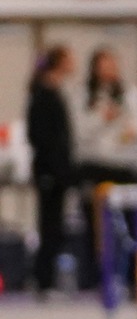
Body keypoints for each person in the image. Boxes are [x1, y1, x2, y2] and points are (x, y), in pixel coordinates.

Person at [72, 48, 137, 292]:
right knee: (94, 225)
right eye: (104, 64)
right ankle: (93, 278)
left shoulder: (128, 93)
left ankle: (134, 278)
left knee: (131, 223)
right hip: (95, 164)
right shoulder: (83, 95)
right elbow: (80, 131)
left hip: (124, 165)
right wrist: (103, 119)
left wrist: (127, 130)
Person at [26, 46, 76, 297]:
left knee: (56, 227)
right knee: (48, 227)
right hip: (49, 172)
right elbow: (41, 137)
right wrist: (52, 169)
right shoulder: (43, 95)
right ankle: (43, 280)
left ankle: (48, 279)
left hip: (58, 171)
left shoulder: (55, 92)